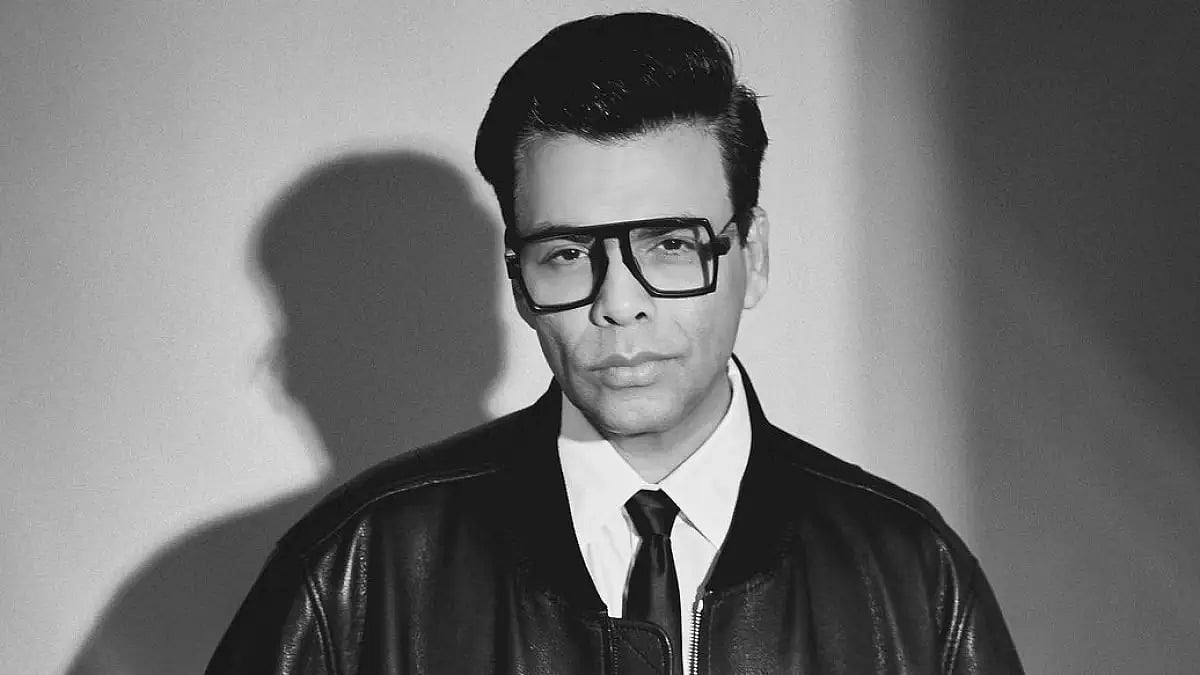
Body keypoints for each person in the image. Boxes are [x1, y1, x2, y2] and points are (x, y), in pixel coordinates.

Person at [207, 12, 1023, 674]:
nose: (618, 303)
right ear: (519, 286)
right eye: (567, 255)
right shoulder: (352, 569)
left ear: (753, 255)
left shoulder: (911, 575)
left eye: (669, 245)